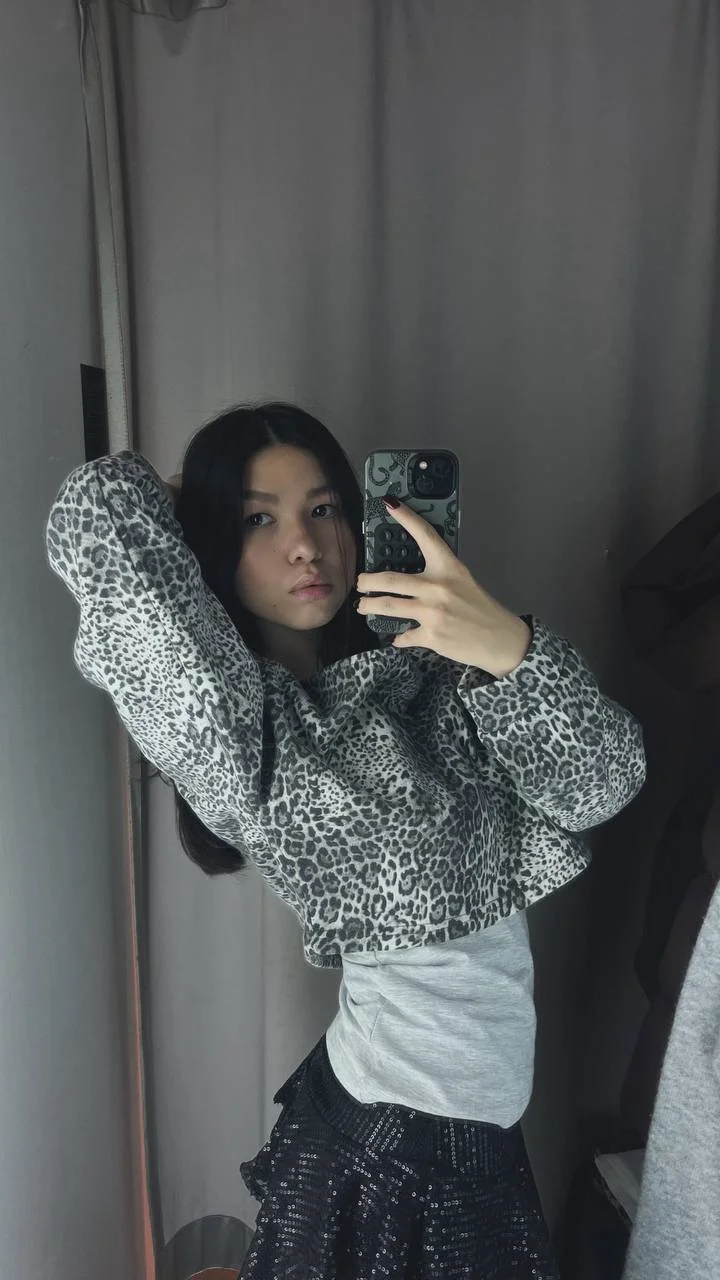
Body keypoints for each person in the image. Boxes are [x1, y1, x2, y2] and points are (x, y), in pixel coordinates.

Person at [44, 402, 646, 1279]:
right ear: (211, 543)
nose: (304, 545)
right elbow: (95, 520)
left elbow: (602, 784)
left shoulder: (435, 675)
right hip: (388, 1152)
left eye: (323, 508)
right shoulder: (241, 735)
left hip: (468, 1134)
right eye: (258, 519)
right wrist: (180, 499)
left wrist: (507, 647)